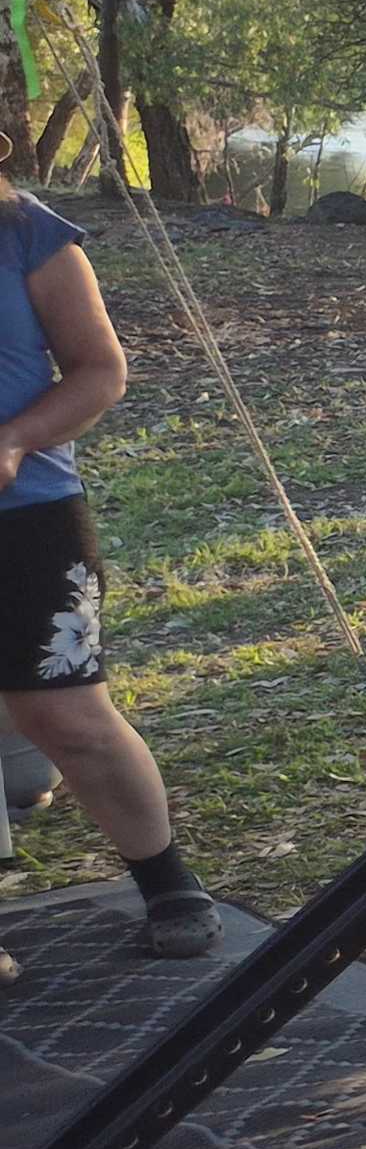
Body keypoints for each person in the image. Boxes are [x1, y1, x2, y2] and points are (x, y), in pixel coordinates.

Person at [0, 183, 218, 957]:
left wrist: (15, 441)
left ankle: (165, 879)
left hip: (28, 514)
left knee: (69, 717)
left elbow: (99, 371)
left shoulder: (28, 232)